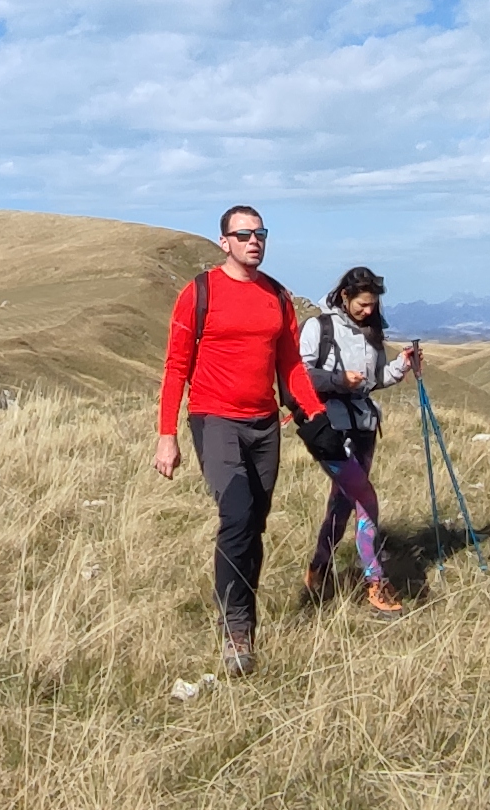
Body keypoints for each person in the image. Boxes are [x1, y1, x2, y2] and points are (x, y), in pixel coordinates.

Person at [153, 204, 327, 676]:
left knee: (254, 525)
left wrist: (315, 413)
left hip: (264, 425)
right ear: (224, 242)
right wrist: (167, 435)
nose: (254, 241)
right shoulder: (200, 292)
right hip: (215, 420)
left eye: (260, 233)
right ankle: (236, 628)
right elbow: (176, 367)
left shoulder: (277, 296)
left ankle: (240, 606)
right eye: (244, 234)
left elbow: (290, 364)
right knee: (236, 515)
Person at [298, 266, 419, 618]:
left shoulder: (371, 332)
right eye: (362, 304)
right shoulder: (318, 327)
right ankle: (375, 582)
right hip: (329, 429)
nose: (369, 311)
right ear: (345, 297)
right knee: (365, 498)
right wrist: (338, 380)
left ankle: (318, 568)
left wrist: (401, 366)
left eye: (373, 305)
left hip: (364, 427)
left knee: (342, 503)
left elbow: (374, 379)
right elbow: (299, 375)